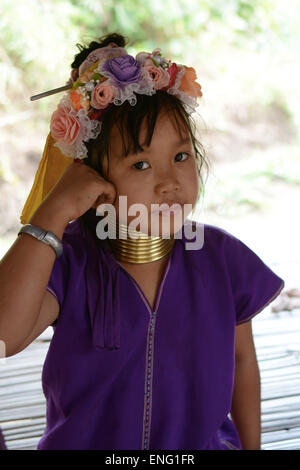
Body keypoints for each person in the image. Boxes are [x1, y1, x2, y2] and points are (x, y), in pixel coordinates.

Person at [0, 32, 284, 451]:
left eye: (181, 157)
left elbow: (242, 361)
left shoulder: (223, 260)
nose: (170, 183)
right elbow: (5, 335)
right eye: (142, 163)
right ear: (93, 175)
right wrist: (54, 211)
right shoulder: (70, 261)